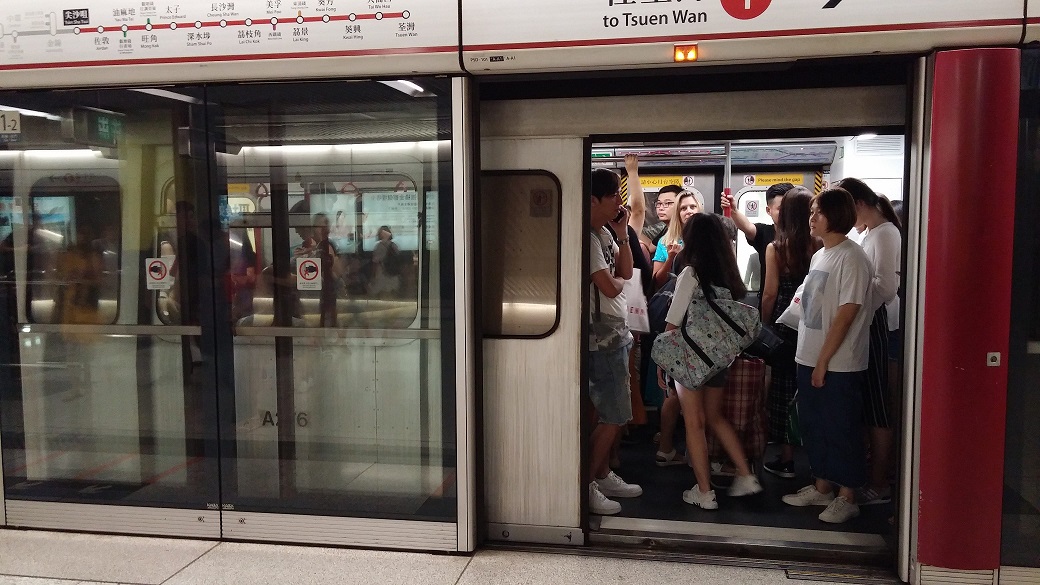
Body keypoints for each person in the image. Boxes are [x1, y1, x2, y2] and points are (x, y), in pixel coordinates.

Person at [781, 187, 873, 524]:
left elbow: (847, 313)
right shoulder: (821, 255)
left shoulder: (853, 257)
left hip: (839, 362)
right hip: (808, 355)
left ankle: (848, 494)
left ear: (836, 215)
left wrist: (823, 361)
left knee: (840, 427)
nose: (812, 218)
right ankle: (821, 486)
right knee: (813, 424)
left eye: (818, 211)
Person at [667, 213, 764, 510]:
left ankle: (705, 492)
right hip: (720, 359)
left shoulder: (690, 274)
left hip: (690, 358)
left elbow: (673, 323)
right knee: (714, 417)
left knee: (694, 424)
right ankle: (746, 474)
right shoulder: (728, 276)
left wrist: (664, 363)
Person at [837, 178, 902, 506]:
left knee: (878, 403)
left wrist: (857, 308)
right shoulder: (869, 234)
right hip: (870, 321)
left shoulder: (886, 233)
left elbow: (886, 288)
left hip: (878, 323)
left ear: (860, 204)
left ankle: (879, 482)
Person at [587, 168, 642, 515]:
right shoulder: (587, 238)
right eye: (613, 197)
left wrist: (622, 235)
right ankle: (586, 483)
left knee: (610, 412)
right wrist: (619, 282)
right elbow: (611, 286)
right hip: (602, 334)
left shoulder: (605, 232)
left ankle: (603, 473)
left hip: (615, 331)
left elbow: (624, 271)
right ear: (593, 199)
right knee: (614, 414)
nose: (619, 203)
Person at [759, 187, 822, 478]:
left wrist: (763, 325)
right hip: (811, 318)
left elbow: (770, 293)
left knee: (783, 389)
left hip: (785, 321)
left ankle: (785, 458)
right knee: (807, 385)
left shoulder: (776, 247)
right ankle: (815, 456)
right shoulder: (819, 244)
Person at [721, 182, 793, 290]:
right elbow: (747, 227)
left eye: (789, 208)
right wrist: (733, 211)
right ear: (769, 210)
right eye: (780, 209)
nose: (786, 213)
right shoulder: (764, 232)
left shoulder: (807, 235)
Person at [651, 188, 702, 289]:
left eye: (693, 207)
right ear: (677, 214)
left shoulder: (709, 237)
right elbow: (657, 282)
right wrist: (671, 258)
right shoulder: (665, 241)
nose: (689, 211)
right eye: (683, 208)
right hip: (676, 295)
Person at [641, 184, 682, 248]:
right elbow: (651, 247)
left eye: (667, 203)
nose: (661, 208)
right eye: (659, 203)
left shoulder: (687, 231)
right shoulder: (666, 229)